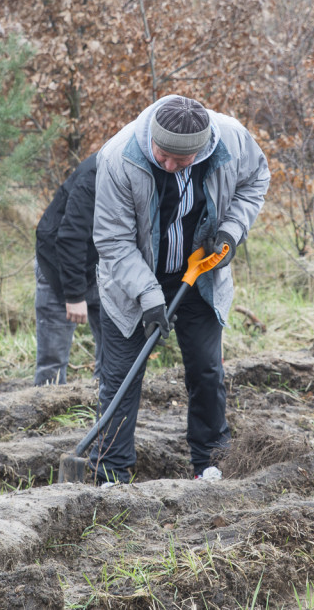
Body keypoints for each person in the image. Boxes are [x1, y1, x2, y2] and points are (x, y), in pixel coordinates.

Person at [90, 95, 270, 485]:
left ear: (202, 149)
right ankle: (110, 473)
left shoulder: (233, 141)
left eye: (181, 161)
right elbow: (112, 240)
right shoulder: (119, 157)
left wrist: (230, 232)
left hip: (199, 274)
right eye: (163, 155)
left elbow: (256, 179)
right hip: (130, 281)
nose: (169, 166)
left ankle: (210, 460)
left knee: (206, 370)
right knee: (121, 378)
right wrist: (149, 295)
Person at [34, 153, 102, 385]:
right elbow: (70, 237)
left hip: (103, 266)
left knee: (114, 353)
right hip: (59, 267)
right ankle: (48, 416)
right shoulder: (93, 176)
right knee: (51, 362)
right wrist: (74, 294)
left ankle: (105, 412)